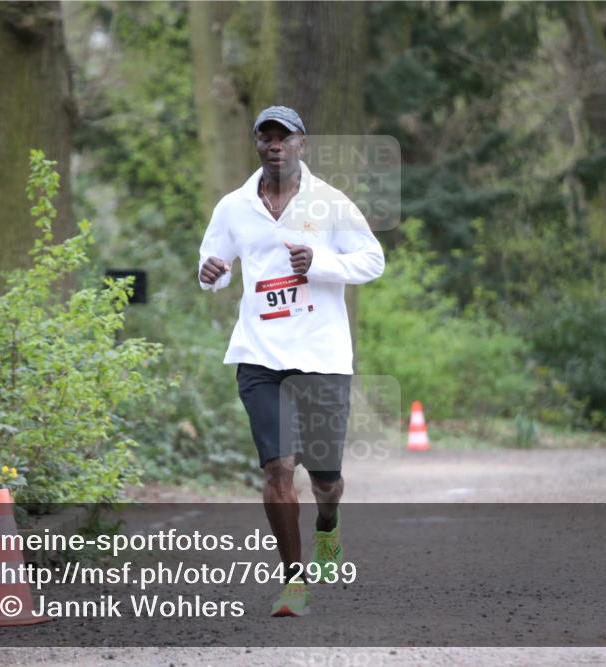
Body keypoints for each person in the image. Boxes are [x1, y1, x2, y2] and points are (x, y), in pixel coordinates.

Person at [197, 105, 384, 617]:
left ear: (302, 143)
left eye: (285, 137)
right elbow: (214, 266)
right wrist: (210, 273)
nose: (275, 145)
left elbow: (373, 260)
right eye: (267, 137)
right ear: (257, 144)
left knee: (325, 480)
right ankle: (293, 582)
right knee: (278, 469)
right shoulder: (233, 206)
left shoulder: (331, 202)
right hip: (259, 354)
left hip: (321, 355)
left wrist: (320, 263)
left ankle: (328, 525)